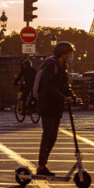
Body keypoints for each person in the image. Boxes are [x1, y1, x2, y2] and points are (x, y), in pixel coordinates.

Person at [35, 41, 75, 177]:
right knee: (48, 135)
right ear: (63, 53)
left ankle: (43, 165)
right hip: (47, 105)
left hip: (55, 105)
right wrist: (62, 97)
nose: (70, 56)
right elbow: (48, 85)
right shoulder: (50, 65)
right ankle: (41, 166)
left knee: (53, 136)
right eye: (69, 53)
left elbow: (64, 85)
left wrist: (73, 96)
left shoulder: (62, 66)